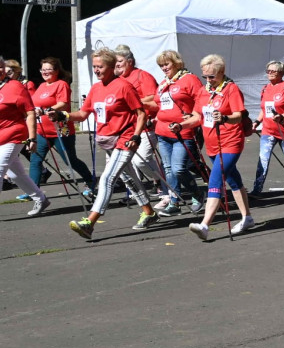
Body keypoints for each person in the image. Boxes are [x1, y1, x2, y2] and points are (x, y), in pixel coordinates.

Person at [54, 49, 158, 239]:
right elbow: (83, 114)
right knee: (129, 178)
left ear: (111, 67)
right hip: (107, 141)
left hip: (124, 139)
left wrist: (136, 135)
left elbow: (140, 113)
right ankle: (149, 213)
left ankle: (90, 222)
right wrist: (65, 115)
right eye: (94, 66)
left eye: (100, 66)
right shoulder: (96, 88)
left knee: (108, 179)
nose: (96, 70)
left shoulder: (124, 86)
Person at [185, 54, 255, 240]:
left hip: (230, 142)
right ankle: (247, 217)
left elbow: (239, 115)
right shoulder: (204, 91)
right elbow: (197, 117)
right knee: (233, 181)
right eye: (205, 76)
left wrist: (224, 118)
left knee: (215, 179)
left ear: (222, 73)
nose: (208, 80)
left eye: (212, 76)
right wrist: (181, 125)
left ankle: (205, 225)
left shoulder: (231, 89)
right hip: (212, 144)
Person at [29, 57, 96, 199]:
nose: (45, 72)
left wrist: (45, 109)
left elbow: (63, 103)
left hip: (60, 130)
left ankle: (90, 180)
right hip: (43, 131)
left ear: (56, 71)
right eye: (43, 69)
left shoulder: (61, 84)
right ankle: (33, 192)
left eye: (49, 69)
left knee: (70, 160)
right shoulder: (41, 86)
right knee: (35, 160)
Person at [153, 50, 205, 216]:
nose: (164, 68)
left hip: (183, 131)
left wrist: (194, 114)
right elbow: (158, 103)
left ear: (176, 63)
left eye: (166, 64)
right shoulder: (164, 83)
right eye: (161, 65)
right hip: (162, 131)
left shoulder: (189, 79)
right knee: (168, 169)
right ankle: (174, 201)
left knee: (178, 169)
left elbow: (202, 99)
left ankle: (197, 193)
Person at [113, 45, 166, 205]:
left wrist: (133, 102)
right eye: (115, 63)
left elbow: (154, 99)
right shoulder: (117, 80)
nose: (117, 66)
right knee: (126, 163)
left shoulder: (143, 76)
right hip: (126, 127)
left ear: (129, 61)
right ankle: (137, 194)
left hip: (146, 125)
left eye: (120, 62)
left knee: (140, 161)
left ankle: (163, 183)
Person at [0, 50, 49, 216]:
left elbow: (29, 112)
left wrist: (32, 138)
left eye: (1, 67)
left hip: (14, 134)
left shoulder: (15, 87)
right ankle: (41, 198)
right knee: (16, 174)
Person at [251, 60, 284, 196]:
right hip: (268, 130)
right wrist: (257, 121)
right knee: (263, 158)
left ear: (281, 72)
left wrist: (282, 115)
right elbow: (264, 108)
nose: (270, 73)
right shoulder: (265, 88)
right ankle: (257, 189)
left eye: (273, 71)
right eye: (268, 71)